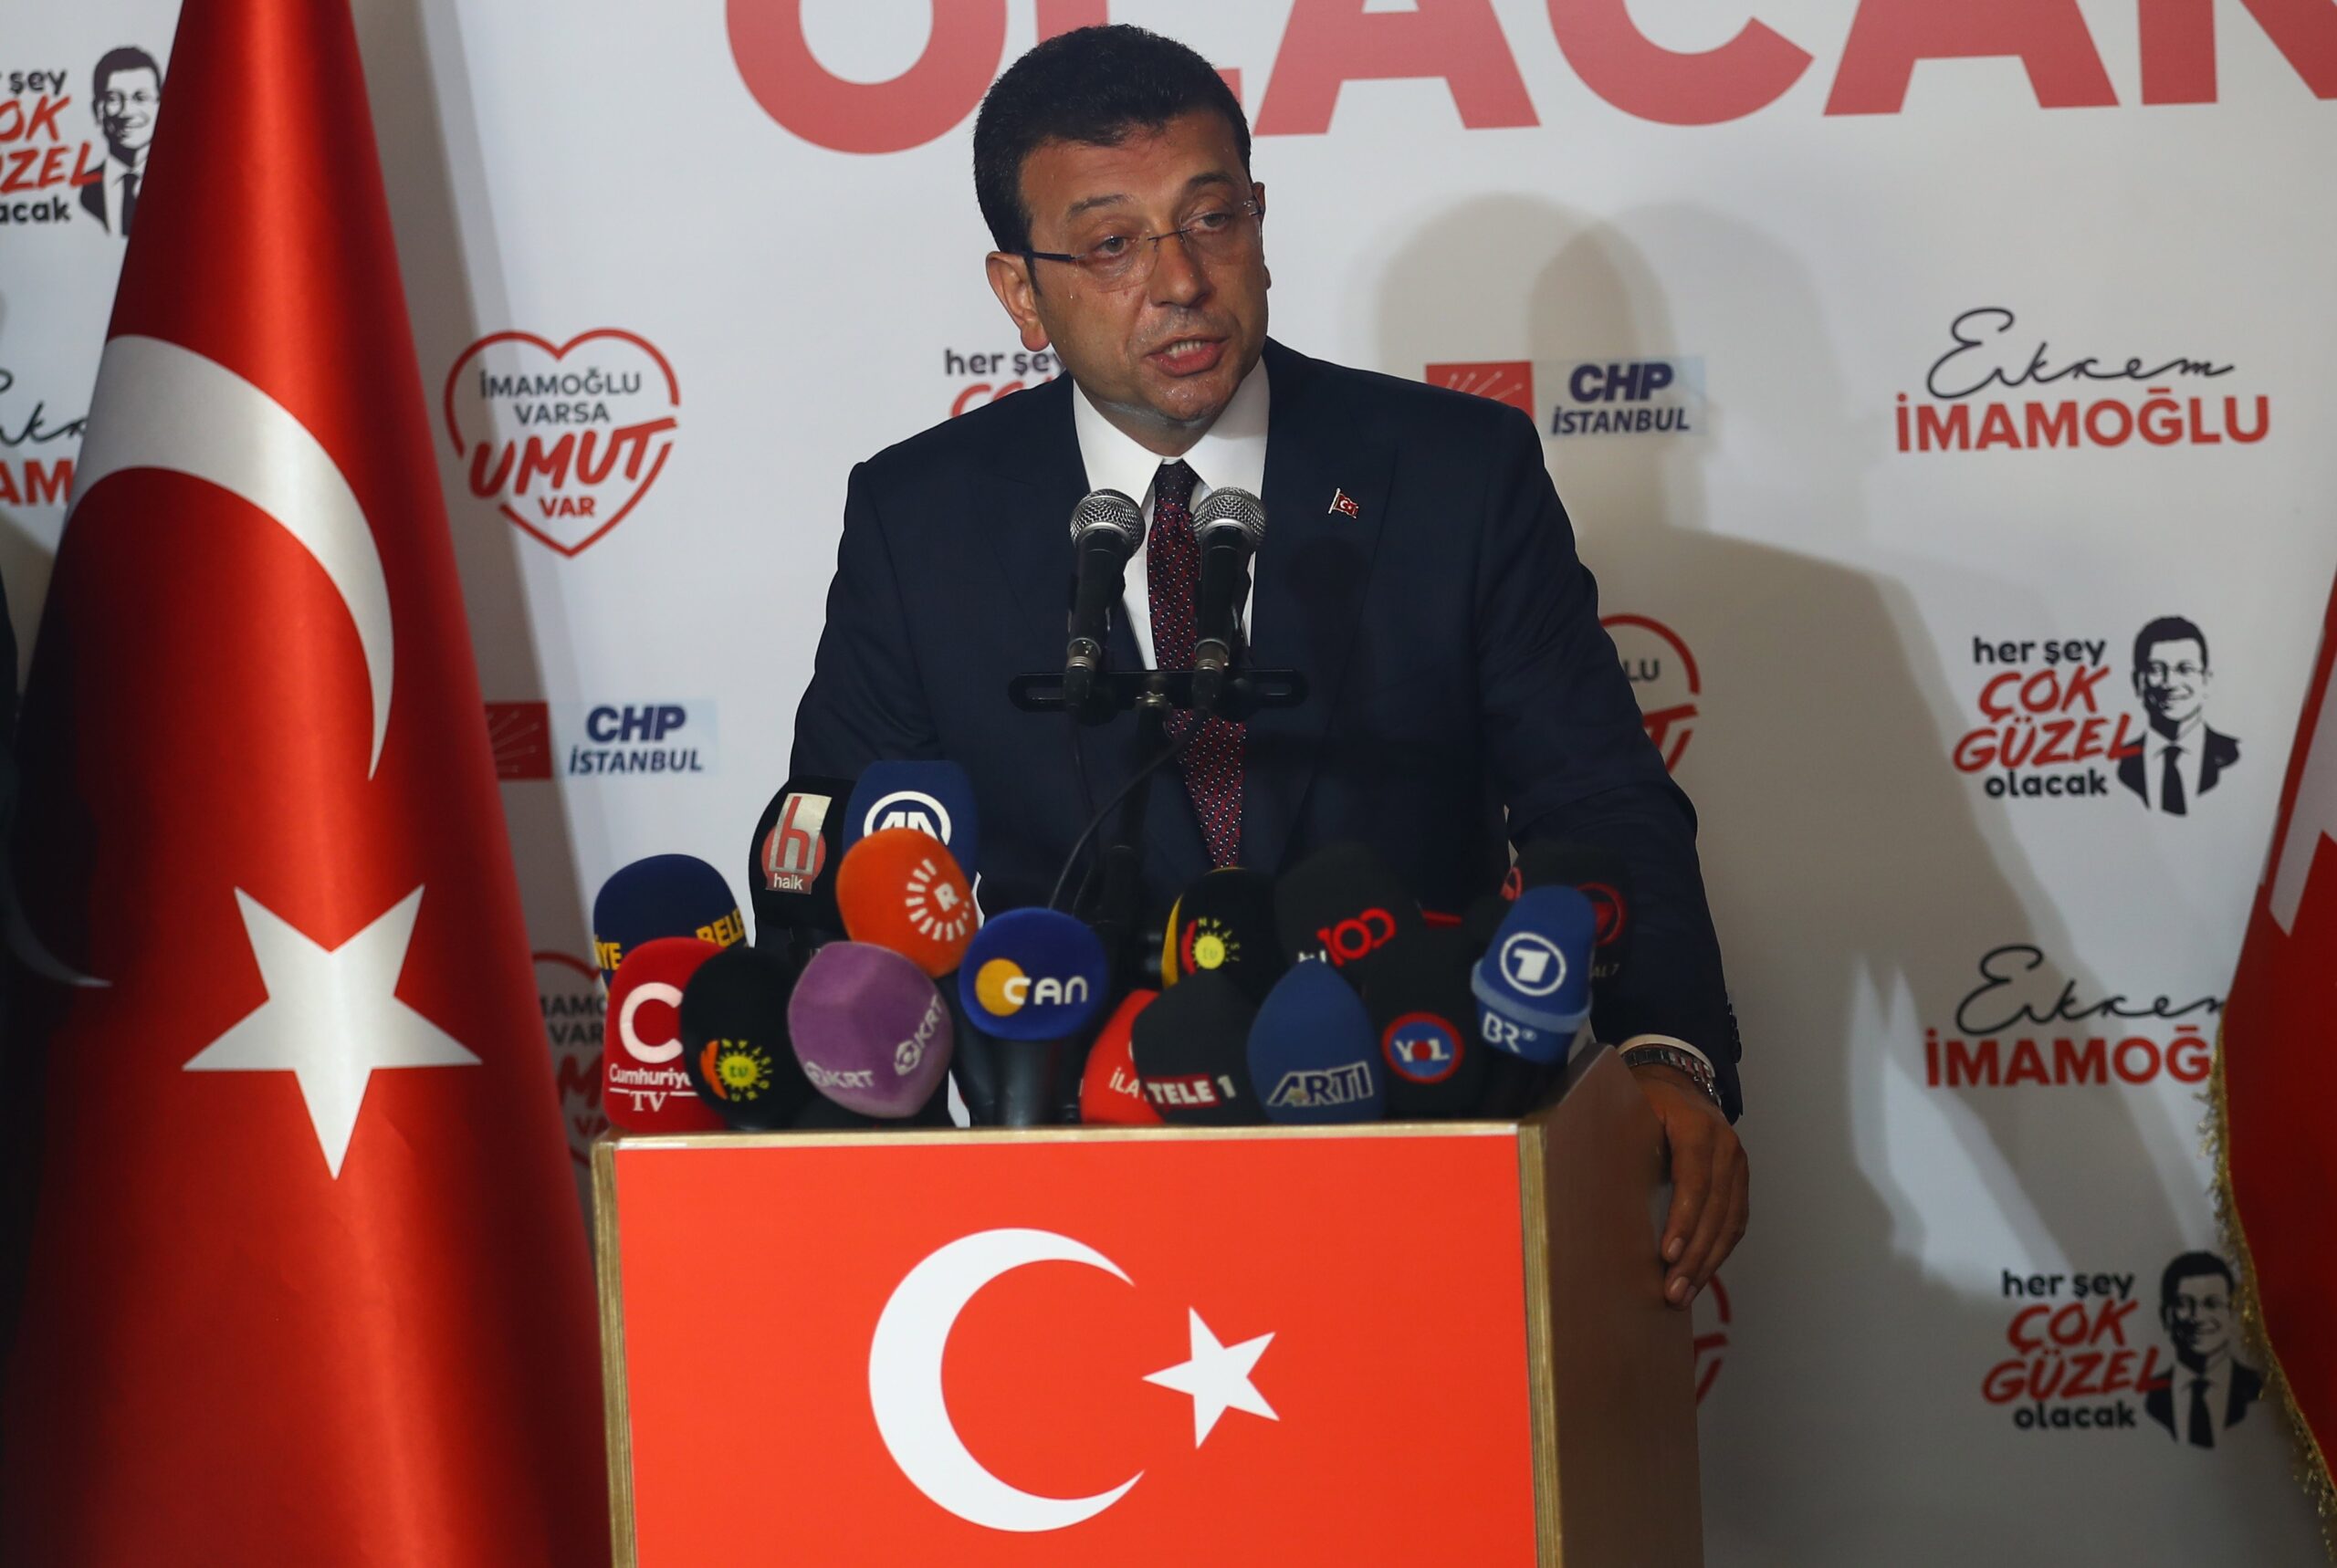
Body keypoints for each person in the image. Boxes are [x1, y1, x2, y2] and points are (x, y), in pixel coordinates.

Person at [791, 25, 1745, 1305]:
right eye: (1112, 244)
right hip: (1068, 1205)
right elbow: (854, 855)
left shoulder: (1455, 474)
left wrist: (1667, 1052)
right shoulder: (920, 520)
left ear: (1258, 220)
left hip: (1418, 1154)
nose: (1181, 279)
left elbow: (1599, 796)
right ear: (1020, 291)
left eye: (1212, 218)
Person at [2118, 615, 2237, 815]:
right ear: (2137, 682)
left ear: (2206, 680)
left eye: (2185, 669)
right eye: (2156, 670)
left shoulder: (2234, 756)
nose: (2170, 683)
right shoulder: (2117, 762)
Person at [2144, 1252, 2263, 1448]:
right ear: (2166, 1316)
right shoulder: (2150, 1396)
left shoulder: (2260, 1391)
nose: (2198, 1317)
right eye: (2184, 1304)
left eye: (2212, 1304)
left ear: (2232, 1313)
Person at [79, 47, 162, 238]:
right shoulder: (83, 188)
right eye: (113, 99)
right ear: (97, 110)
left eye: (140, 98)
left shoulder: (183, 184)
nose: (127, 112)